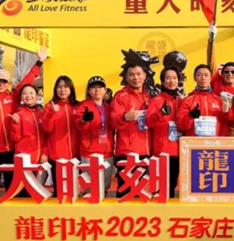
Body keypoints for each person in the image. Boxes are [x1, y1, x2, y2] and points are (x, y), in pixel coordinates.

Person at [0, 50, 47, 196]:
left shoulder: (13, 96)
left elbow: (27, 82)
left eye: (4, 82)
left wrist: (39, 62)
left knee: (12, 187)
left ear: (8, 83)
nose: (1, 84)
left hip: (10, 149)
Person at [110, 64, 152, 198]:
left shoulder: (149, 96)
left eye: (139, 74)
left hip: (146, 150)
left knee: (141, 192)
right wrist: (125, 117)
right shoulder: (121, 97)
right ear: (126, 78)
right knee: (126, 192)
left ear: (144, 76)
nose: (136, 78)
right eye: (132, 75)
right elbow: (114, 121)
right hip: (128, 151)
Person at [146, 67, 183, 197]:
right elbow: (148, 122)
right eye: (168, 78)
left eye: (174, 78)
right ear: (162, 81)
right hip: (162, 149)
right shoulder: (156, 100)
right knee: (161, 186)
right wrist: (160, 112)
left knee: (172, 184)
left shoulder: (182, 100)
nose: (172, 81)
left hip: (179, 149)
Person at [76, 76, 115, 194]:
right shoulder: (83, 106)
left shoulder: (109, 107)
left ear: (105, 90)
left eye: (100, 87)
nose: (97, 90)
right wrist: (84, 120)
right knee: (91, 188)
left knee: (105, 186)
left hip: (107, 152)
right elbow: (79, 125)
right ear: (88, 91)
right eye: (93, 88)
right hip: (90, 153)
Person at [42, 76, 80, 196]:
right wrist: (52, 113)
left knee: (74, 190)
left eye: (66, 87)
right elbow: (47, 128)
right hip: (57, 154)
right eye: (59, 87)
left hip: (76, 154)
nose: (62, 90)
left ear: (71, 89)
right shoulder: (49, 106)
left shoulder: (78, 106)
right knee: (60, 191)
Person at [177, 64, 227, 137]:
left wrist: (222, 141)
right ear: (194, 78)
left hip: (215, 142)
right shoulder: (187, 100)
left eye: (206, 75)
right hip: (194, 143)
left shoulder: (219, 100)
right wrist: (190, 116)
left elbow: (225, 125)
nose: (203, 78)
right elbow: (181, 126)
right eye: (199, 75)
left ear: (210, 78)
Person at [8, 85, 48, 168]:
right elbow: (14, 138)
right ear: (21, 97)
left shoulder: (43, 113)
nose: (28, 96)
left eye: (31, 93)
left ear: (37, 95)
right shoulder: (18, 114)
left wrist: (45, 153)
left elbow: (47, 136)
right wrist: (15, 124)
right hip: (24, 158)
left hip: (41, 158)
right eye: (25, 93)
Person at [211, 61, 234, 136]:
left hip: (233, 130)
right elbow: (212, 63)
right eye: (226, 72)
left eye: (233, 72)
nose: (230, 74)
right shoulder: (217, 82)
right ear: (222, 74)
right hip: (216, 128)